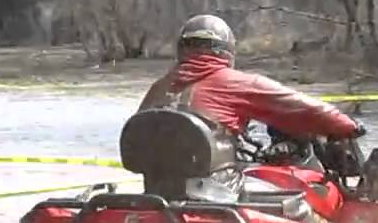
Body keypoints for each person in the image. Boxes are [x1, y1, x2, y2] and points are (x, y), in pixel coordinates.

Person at [139, 15, 364, 142]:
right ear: (226, 51)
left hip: (158, 192)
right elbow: (306, 108)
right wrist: (349, 126)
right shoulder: (239, 83)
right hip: (219, 189)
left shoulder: (159, 88)